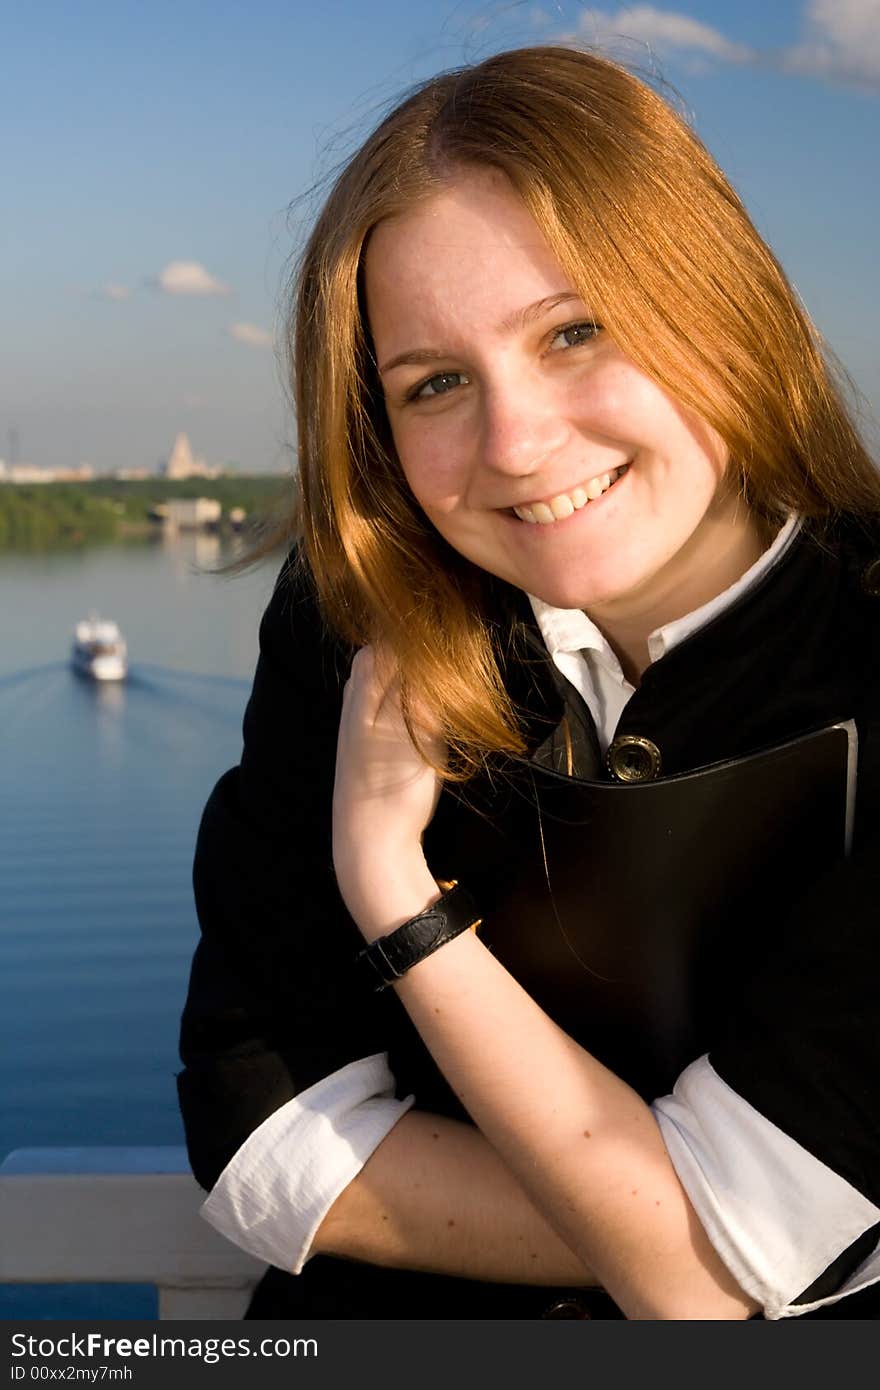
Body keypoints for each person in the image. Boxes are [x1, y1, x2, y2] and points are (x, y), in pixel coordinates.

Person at [177, 44, 880, 1320]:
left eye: (574, 330)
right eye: (434, 383)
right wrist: (704, 1232)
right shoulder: (353, 617)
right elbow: (258, 1138)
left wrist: (395, 897)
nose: (514, 443)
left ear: (718, 306)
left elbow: (696, 1288)